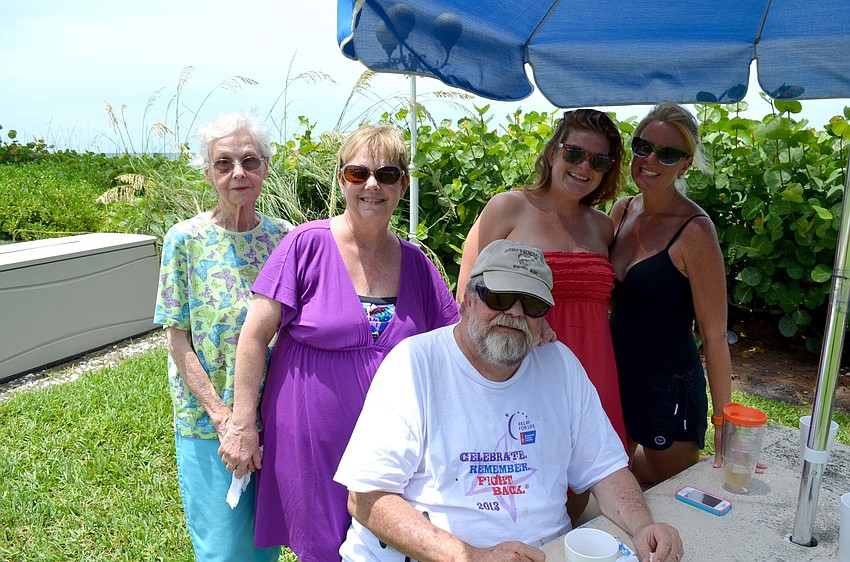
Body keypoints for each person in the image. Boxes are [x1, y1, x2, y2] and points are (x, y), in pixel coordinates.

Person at [335, 239, 684, 562]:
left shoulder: (560, 365)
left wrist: (643, 526)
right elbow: (366, 498)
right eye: (499, 297)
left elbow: (605, 469)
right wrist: (472, 556)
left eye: (532, 304)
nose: (516, 312)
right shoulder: (414, 364)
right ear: (468, 299)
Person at [218, 125, 460, 561]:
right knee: (322, 548)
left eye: (387, 174)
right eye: (358, 173)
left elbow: (456, 340)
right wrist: (242, 423)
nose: (372, 185)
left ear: (403, 185)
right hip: (310, 437)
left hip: (391, 442)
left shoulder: (417, 263)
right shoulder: (305, 244)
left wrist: (521, 325)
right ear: (341, 179)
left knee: (385, 544)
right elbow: (253, 335)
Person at [456, 108, 627, 520]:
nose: (584, 167)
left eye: (598, 161)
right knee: (523, 490)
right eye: (574, 153)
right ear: (552, 152)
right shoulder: (508, 207)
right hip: (525, 368)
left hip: (594, 369)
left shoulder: (603, 227)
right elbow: (470, 293)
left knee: (581, 493)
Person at [153, 112, 292, 562]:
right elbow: (177, 341)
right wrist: (225, 420)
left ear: (265, 167)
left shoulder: (285, 240)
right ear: (208, 172)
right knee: (224, 549)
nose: (238, 173)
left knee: (265, 543)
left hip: (273, 418)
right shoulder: (184, 240)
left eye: (250, 161)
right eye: (224, 163)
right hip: (207, 422)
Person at [608, 102, 732, 485]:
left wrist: (724, 422)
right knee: (609, 483)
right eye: (643, 146)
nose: (650, 160)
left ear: (685, 164)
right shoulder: (621, 211)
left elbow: (714, 335)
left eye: (667, 153)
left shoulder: (695, 231)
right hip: (614, 376)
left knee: (669, 491)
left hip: (668, 388)